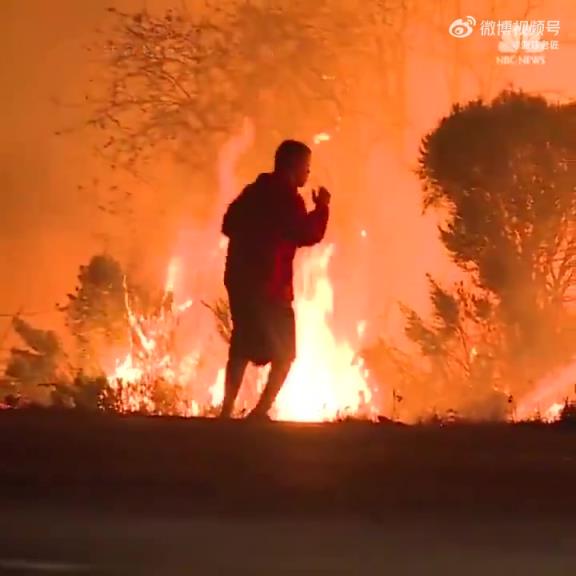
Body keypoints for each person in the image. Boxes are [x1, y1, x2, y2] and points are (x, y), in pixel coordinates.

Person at [219, 139, 331, 419]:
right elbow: (307, 234)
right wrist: (322, 209)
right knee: (285, 353)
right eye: (306, 167)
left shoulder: (254, 192)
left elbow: (228, 223)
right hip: (270, 287)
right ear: (293, 166)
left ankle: (226, 412)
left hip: (241, 282)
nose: (308, 173)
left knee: (242, 346)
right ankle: (259, 413)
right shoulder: (286, 198)